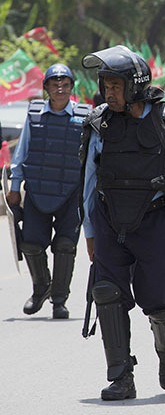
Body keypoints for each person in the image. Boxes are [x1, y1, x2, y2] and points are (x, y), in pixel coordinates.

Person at [79, 45, 165, 400]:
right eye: (105, 85)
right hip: (109, 220)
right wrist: (90, 232)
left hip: (154, 221)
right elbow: (90, 183)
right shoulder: (98, 123)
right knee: (107, 293)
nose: (109, 92)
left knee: (156, 297)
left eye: (115, 85)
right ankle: (121, 376)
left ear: (135, 85)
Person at [6, 63, 92, 319]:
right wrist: (14, 188)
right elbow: (21, 154)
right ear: (46, 88)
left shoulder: (85, 116)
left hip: (70, 193)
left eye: (65, 84)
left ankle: (59, 300)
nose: (60, 88)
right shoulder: (34, 115)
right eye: (55, 84)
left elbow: (91, 158)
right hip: (37, 189)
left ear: (71, 87)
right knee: (31, 244)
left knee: (65, 246)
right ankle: (41, 287)